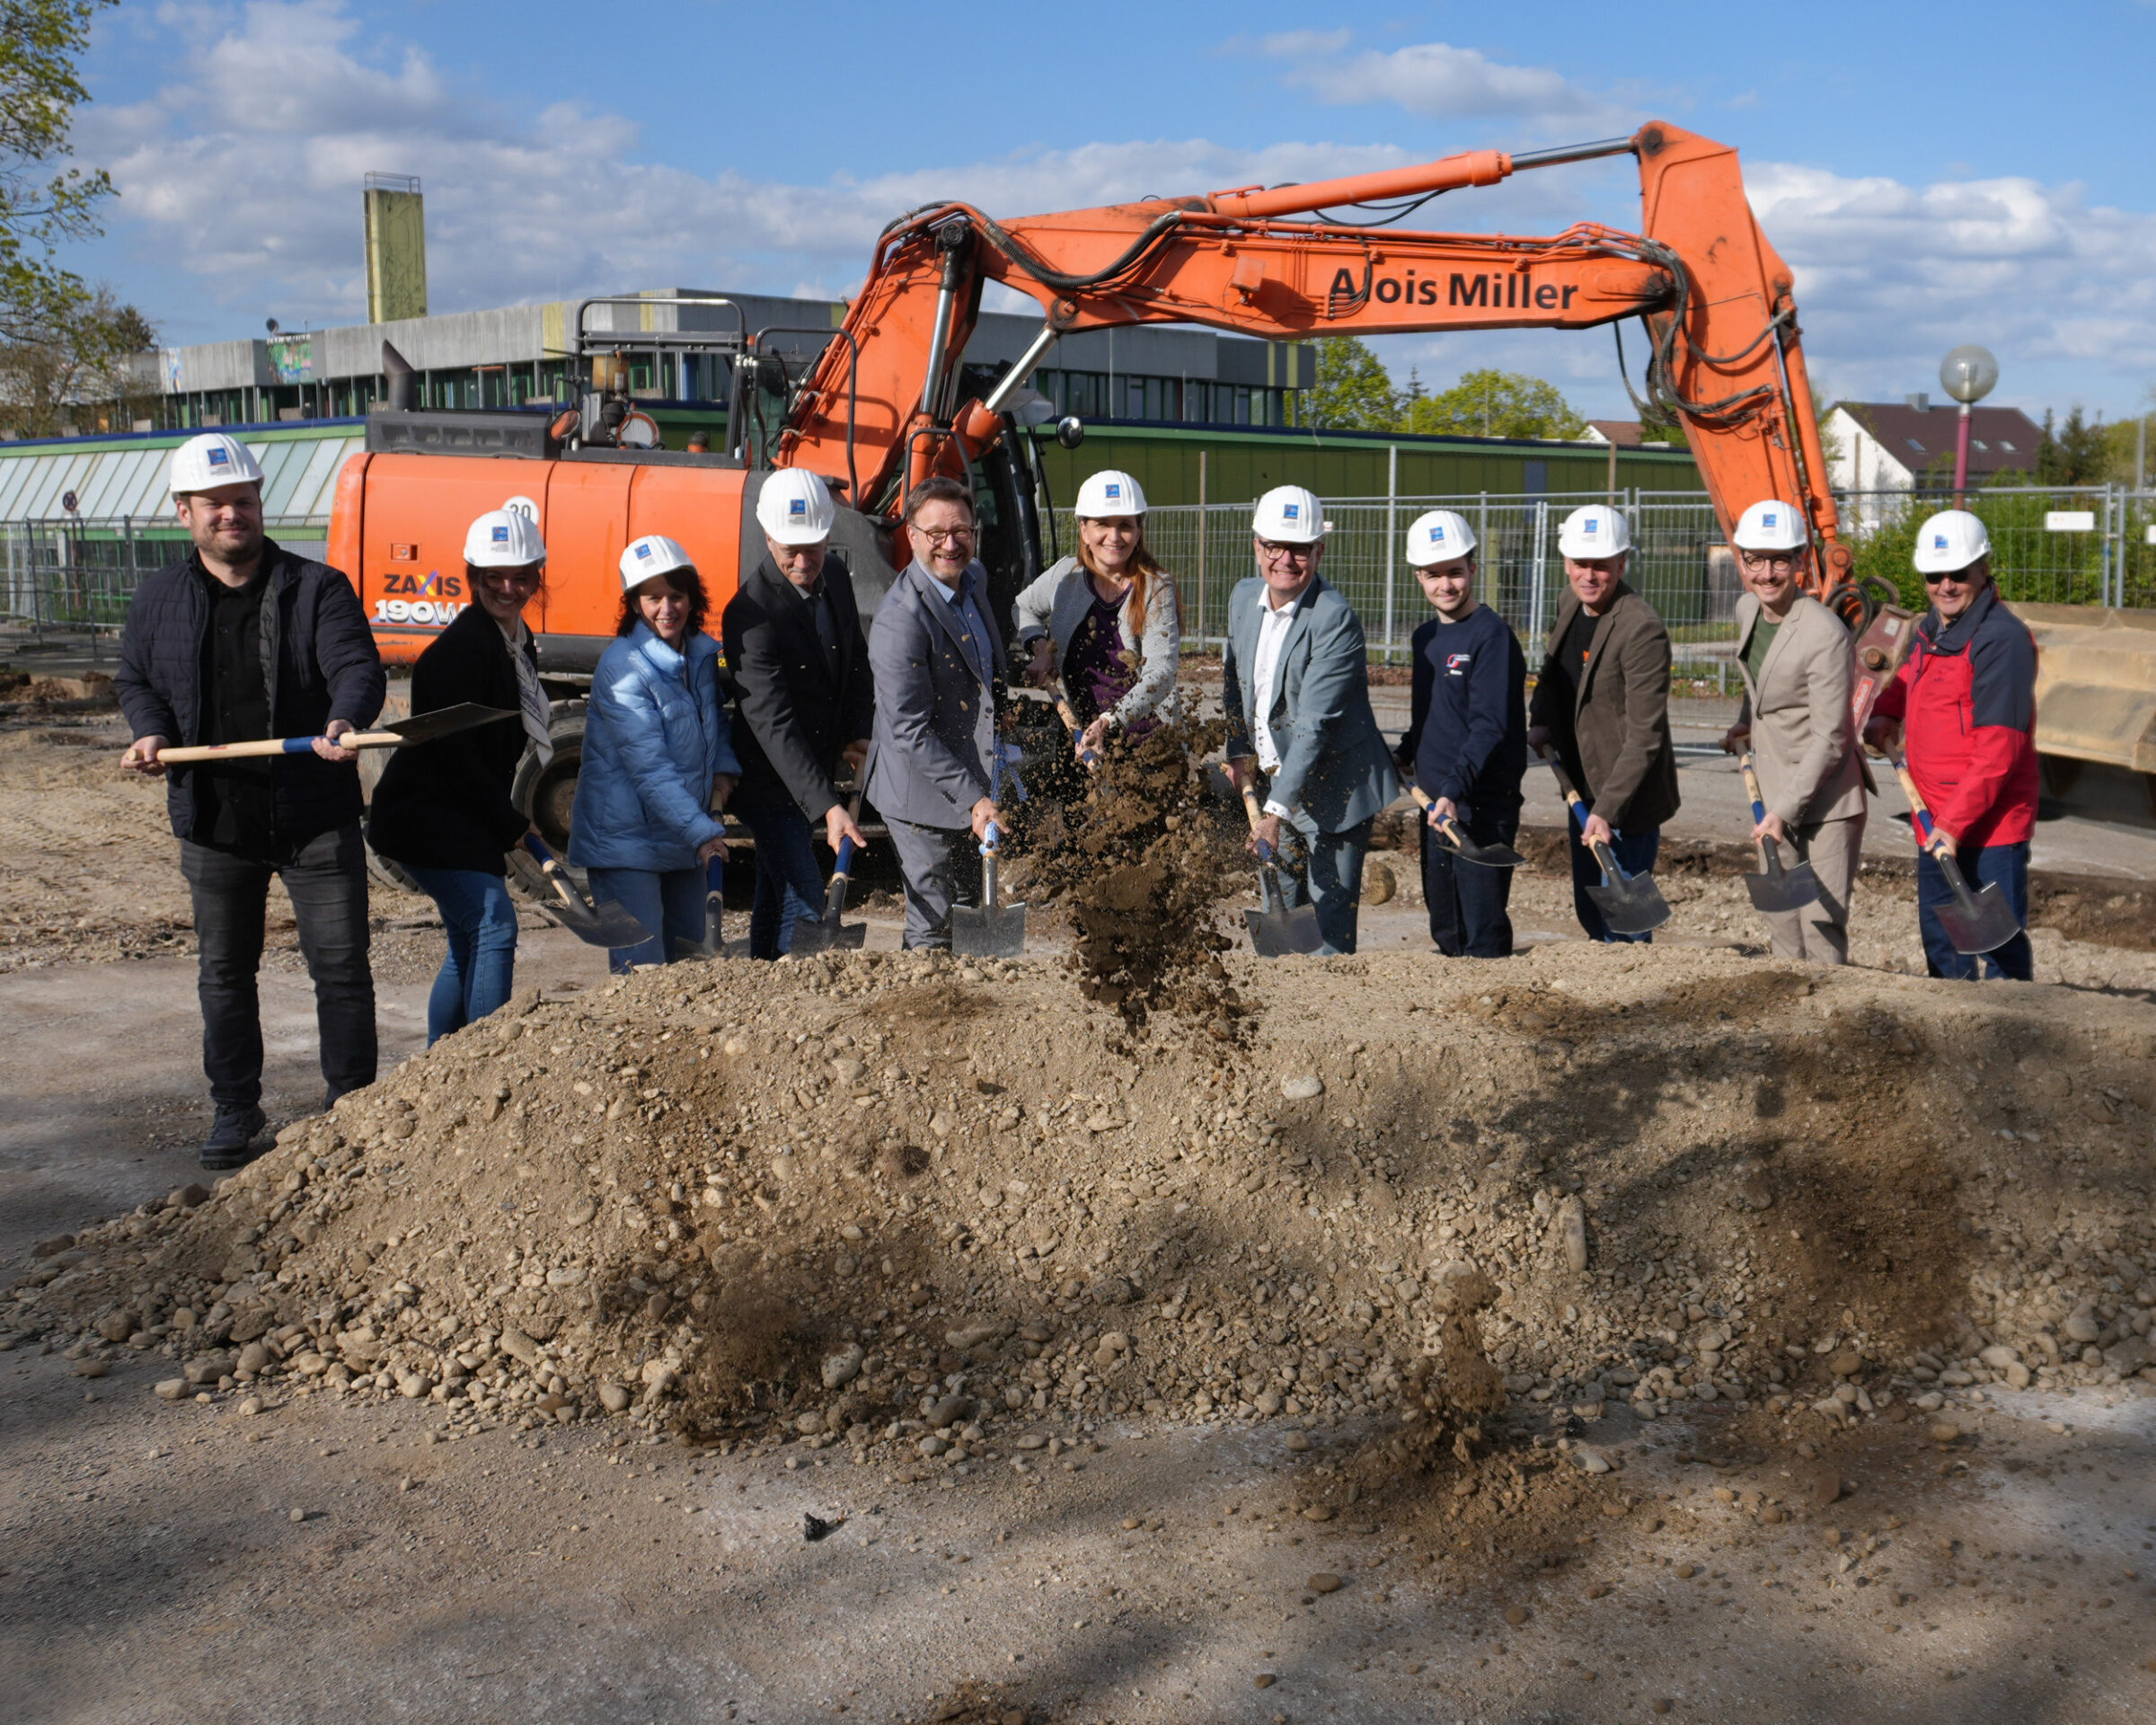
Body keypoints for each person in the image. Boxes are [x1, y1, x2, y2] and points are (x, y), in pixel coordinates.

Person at [116, 432, 385, 1169]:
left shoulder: (317, 588)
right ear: (185, 513)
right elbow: (135, 680)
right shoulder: (159, 599)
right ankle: (236, 1111)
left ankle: (352, 1109)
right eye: (215, 504)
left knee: (340, 968)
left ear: (260, 504)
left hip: (314, 811)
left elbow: (355, 667)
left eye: (243, 500)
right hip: (215, 818)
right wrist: (149, 733)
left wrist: (345, 719)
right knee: (226, 974)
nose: (231, 514)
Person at [367, 509, 551, 1040]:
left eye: (521, 577)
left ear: (537, 575)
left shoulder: (515, 641)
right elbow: (455, 759)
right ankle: (482, 1059)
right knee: (494, 922)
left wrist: (504, 819)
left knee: (469, 937)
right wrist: (508, 822)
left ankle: (439, 1062)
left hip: (460, 812)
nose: (508, 588)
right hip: (425, 816)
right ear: (473, 577)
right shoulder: (454, 655)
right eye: (494, 577)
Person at [1220, 485, 1401, 956]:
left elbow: (1314, 724)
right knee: (1280, 924)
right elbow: (1234, 678)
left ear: (1319, 550)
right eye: (1274, 546)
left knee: (1328, 933)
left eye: (1299, 548)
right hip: (1277, 782)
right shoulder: (1242, 598)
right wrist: (1239, 749)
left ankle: (1334, 1022)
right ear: (1256, 546)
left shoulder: (1333, 618)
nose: (1285, 559)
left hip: (1335, 788)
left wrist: (1275, 814)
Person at [1862, 509, 2037, 981]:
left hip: (1988, 827)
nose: (1945, 585)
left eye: (1958, 573)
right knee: (1943, 946)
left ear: (1982, 568)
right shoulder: (1932, 628)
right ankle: (1952, 1044)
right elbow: (1910, 679)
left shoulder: (2002, 640)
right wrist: (1885, 712)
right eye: (1934, 575)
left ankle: (2012, 1041)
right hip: (1934, 817)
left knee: (1998, 950)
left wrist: (1955, 824)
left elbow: (1999, 749)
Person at [567, 535, 740, 970]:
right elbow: (650, 770)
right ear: (634, 603)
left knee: (689, 964)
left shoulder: (698, 654)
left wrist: (722, 768)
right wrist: (703, 833)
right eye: (653, 598)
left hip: (677, 835)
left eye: (676, 596)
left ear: (692, 598)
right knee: (640, 975)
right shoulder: (623, 668)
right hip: (625, 842)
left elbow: (711, 721)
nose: (667, 609)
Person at [721, 470, 873, 959]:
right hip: (768, 782)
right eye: (792, 549)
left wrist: (859, 733)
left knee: (776, 890)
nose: (804, 561)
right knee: (806, 898)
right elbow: (771, 720)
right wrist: (828, 806)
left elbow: (854, 660)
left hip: (814, 773)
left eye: (814, 546)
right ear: (768, 536)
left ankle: (765, 985)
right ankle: (799, 1006)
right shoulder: (749, 613)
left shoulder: (835, 580)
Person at [1719, 500, 1870, 964]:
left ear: (1801, 562)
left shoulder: (1824, 633)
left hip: (1826, 800)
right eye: (1755, 560)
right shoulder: (1748, 610)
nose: (1766, 573)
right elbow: (1759, 679)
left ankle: (1830, 1027)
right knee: (1782, 919)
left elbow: (1831, 737)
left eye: (1780, 560)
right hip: (1774, 785)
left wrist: (1782, 810)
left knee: (1819, 924)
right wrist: (1748, 718)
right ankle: (1788, 1028)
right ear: (1741, 559)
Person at [1525, 504, 1680, 943]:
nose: (1588, 575)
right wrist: (1540, 719)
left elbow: (1645, 736)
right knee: (1591, 911)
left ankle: (1639, 1004)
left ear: (1622, 562)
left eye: (1601, 565)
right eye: (1579, 564)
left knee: (1625, 923)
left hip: (1624, 801)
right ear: (1566, 562)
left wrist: (1606, 811)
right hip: (1581, 783)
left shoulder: (1641, 630)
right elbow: (1553, 672)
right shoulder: (1570, 602)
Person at [863, 476, 1007, 950]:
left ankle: (969, 1012)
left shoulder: (975, 579)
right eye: (936, 534)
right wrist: (974, 799)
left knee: (969, 903)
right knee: (933, 916)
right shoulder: (900, 620)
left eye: (961, 531)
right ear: (911, 536)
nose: (950, 544)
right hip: (918, 793)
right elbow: (909, 729)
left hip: (969, 778)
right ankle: (920, 1013)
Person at [1396, 510, 1526, 958]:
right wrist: (1404, 753)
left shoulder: (1493, 636)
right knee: (1446, 927)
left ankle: (1496, 1008)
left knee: (1483, 932)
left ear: (1473, 567)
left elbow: (1490, 724)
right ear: (1418, 576)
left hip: (1480, 804)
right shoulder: (1424, 638)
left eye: (1454, 572)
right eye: (1433, 575)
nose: (1445, 585)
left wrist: (1454, 788)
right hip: (1435, 805)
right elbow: (1432, 716)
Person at [1012, 468, 1180, 760]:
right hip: (1082, 732)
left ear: (1139, 530)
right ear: (1084, 530)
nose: (1114, 537)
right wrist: (1041, 649)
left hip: (1149, 744)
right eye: (1102, 524)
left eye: (1125, 525)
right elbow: (1023, 606)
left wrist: (1107, 722)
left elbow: (1161, 675)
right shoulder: (1065, 576)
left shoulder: (1155, 587)